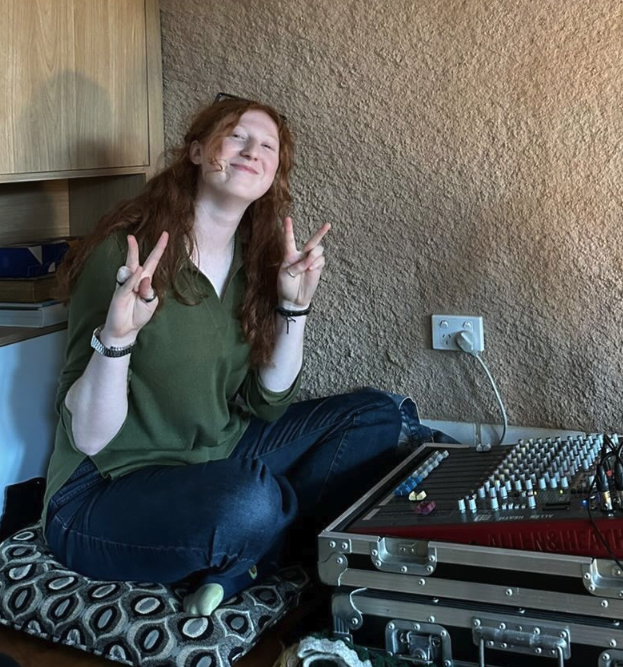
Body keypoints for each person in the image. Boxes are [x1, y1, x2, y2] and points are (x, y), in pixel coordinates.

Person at [42, 96, 443, 616]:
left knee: (377, 415)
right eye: (236, 136)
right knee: (248, 500)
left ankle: (246, 557)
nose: (252, 151)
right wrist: (117, 337)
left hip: (218, 456)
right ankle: (263, 548)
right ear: (195, 152)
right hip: (103, 492)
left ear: (273, 173)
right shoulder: (127, 257)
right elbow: (89, 436)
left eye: (267, 146)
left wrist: (294, 309)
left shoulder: (253, 264)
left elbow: (268, 404)